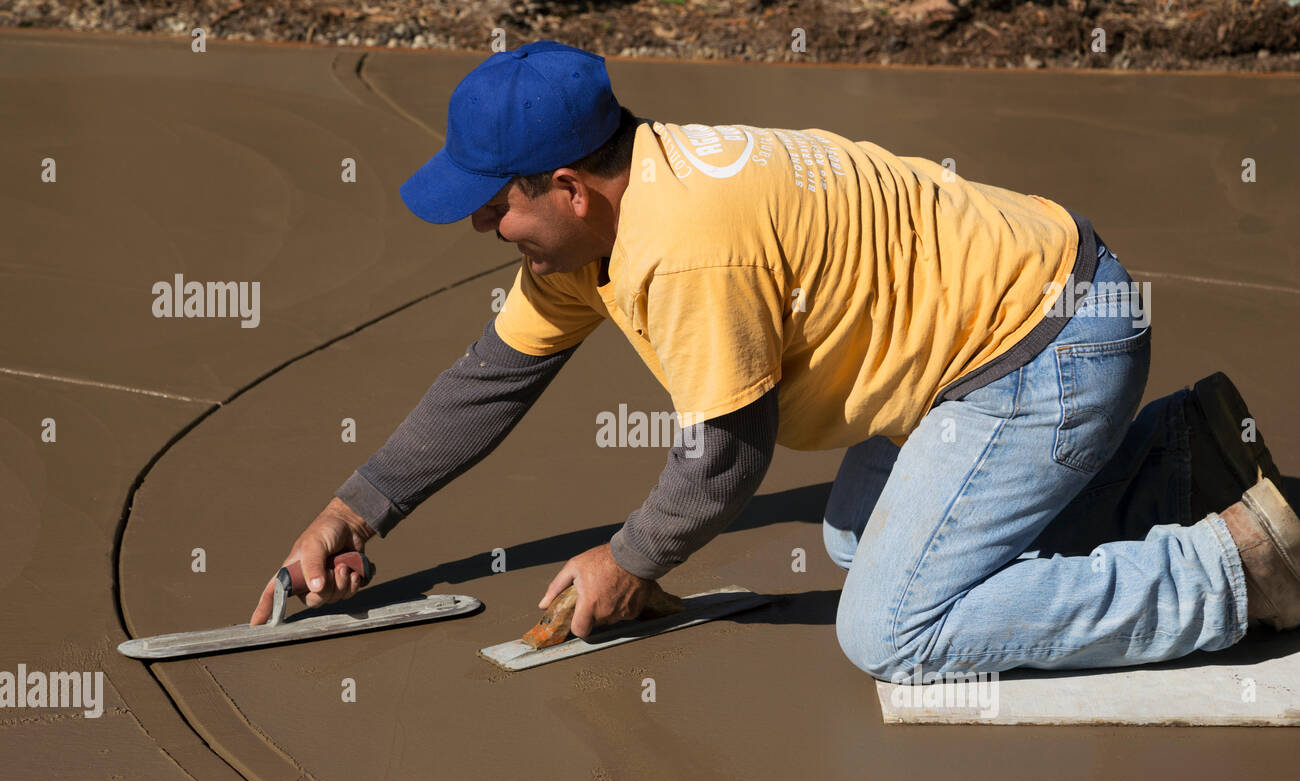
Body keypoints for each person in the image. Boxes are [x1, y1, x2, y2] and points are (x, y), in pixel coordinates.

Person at [251, 41, 1299, 680]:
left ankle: (1237, 567)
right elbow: (494, 373)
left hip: (1049, 345)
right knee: (854, 534)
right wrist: (357, 507)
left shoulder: (688, 244)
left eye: (495, 202)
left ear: (570, 186)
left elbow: (724, 457)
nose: (482, 222)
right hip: (1012, 325)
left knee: (894, 628)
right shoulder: (607, 214)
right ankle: (1172, 459)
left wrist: (632, 561)